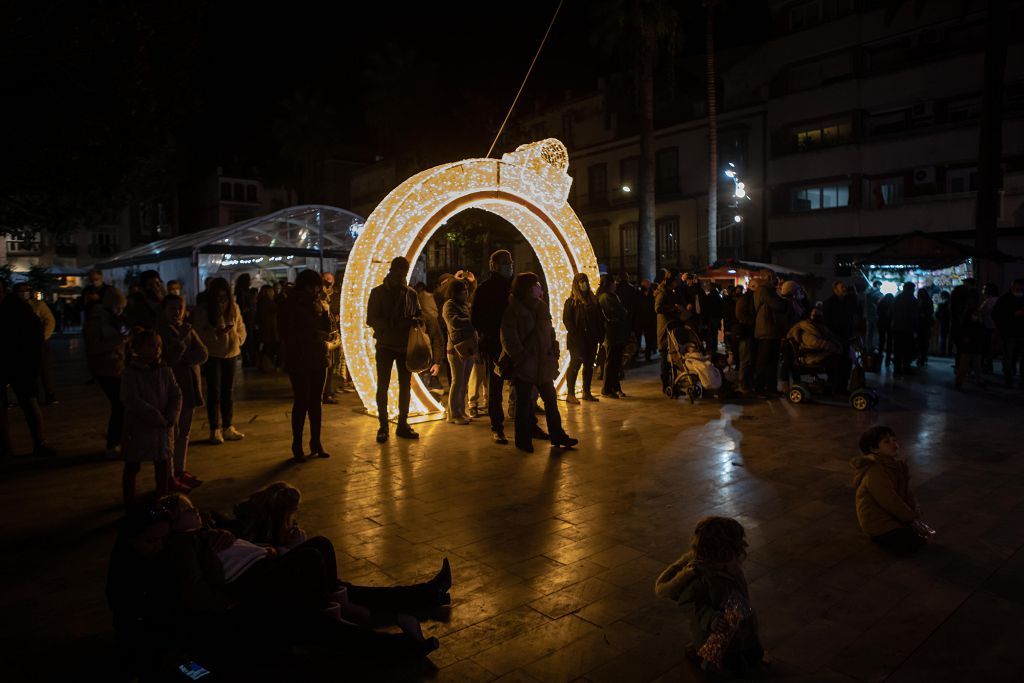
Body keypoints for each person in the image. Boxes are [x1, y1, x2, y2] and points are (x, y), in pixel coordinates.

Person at [161, 494, 443, 659]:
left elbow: (245, 546)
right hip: (254, 580)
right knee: (314, 561)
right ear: (173, 522)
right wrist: (228, 602)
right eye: (187, 510)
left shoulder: (207, 532)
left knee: (320, 546)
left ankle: (417, 595)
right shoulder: (183, 544)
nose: (195, 510)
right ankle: (338, 605)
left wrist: (268, 548)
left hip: (267, 564)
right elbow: (196, 588)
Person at [654, 517, 765, 677]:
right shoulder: (699, 575)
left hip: (741, 628)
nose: (737, 558)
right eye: (732, 554)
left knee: (755, 655)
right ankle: (700, 655)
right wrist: (711, 619)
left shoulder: (729, 564)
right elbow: (689, 604)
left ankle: (742, 648)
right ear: (716, 554)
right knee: (735, 670)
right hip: (716, 635)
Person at [500, 272, 578, 453]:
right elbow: (509, 338)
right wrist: (522, 358)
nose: (540, 288)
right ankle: (523, 440)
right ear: (527, 288)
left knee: (551, 402)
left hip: (544, 363)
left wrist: (555, 350)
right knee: (524, 405)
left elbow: (549, 332)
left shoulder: (542, 307)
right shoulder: (513, 310)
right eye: (536, 285)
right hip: (526, 366)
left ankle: (557, 435)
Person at [278, 269, 335, 460]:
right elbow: (286, 332)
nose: (315, 289)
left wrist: (326, 315)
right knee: (302, 401)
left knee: (316, 401)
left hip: (318, 355)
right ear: (303, 285)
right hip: (299, 357)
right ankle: (297, 444)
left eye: (317, 286)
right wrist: (312, 335)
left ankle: (316, 441)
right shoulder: (291, 304)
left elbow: (327, 328)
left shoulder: (318, 303)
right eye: (312, 286)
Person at [120, 330, 182, 506]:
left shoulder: (165, 369)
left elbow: (175, 393)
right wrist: (159, 418)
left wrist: (171, 415)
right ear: (138, 349)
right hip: (139, 428)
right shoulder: (131, 373)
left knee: (162, 464)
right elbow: (132, 400)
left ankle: (162, 500)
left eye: (159, 346)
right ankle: (130, 503)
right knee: (133, 465)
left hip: (162, 428)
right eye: (152, 345)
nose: (157, 349)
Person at [367, 257, 421, 443]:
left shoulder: (411, 293)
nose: (402, 274)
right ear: (392, 270)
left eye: (404, 271)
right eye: (400, 270)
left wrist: (415, 322)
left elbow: (418, 314)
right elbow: (371, 319)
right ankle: (383, 426)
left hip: (405, 346)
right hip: (385, 345)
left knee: (405, 386)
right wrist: (393, 323)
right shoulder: (378, 292)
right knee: (383, 386)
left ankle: (402, 424)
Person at [851, 426, 929, 555]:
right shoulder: (875, 471)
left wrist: (915, 515)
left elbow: (906, 493)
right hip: (878, 521)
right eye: (887, 442)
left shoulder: (896, 466)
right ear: (874, 449)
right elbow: (890, 501)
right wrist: (911, 519)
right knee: (912, 545)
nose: (894, 444)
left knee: (920, 538)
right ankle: (880, 537)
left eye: (894, 439)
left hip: (893, 516)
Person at [157, 295, 208, 490]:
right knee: (173, 432)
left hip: (190, 385)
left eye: (180, 308)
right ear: (164, 310)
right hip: (172, 388)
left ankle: (180, 469)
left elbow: (203, 352)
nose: (177, 312)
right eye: (172, 308)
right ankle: (170, 475)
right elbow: (168, 358)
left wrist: (185, 359)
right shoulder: (161, 330)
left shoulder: (187, 328)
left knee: (185, 431)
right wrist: (180, 342)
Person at [0, 278, 54, 458]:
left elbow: (36, 333)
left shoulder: (19, 308)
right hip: (10, 363)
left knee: (30, 404)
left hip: (20, 363)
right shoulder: (19, 307)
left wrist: (33, 363)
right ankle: (6, 447)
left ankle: (39, 442)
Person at [193, 277, 246, 444]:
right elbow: (198, 333)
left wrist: (237, 339)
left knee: (227, 391)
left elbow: (241, 327)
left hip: (231, 353)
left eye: (224, 296)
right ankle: (214, 428)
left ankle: (228, 426)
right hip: (213, 354)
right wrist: (216, 334)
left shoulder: (234, 307)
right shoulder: (203, 310)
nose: (221, 299)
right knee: (214, 392)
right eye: (218, 296)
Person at [471, 249, 515, 445]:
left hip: (515, 343)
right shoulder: (485, 289)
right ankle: (497, 427)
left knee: (521, 385)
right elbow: (476, 319)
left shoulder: (515, 287)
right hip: (494, 345)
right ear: (495, 266)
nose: (510, 266)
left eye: (510, 262)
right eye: (506, 263)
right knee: (495, 389)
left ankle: (525, 422)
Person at [85, 286, 130, 457]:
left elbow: (125, 336)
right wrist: (120, 339)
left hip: (119, 367)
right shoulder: (96, 322)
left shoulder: (117, 320)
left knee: (122, 405)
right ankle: (113, 443)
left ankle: (118, 440)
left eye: (122, 308)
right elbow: (94, 347)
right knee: (120, 405)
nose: (119, 311)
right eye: (117, 307)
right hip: (104, 369)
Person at [562, 272, 603, 404]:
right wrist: (576, 335)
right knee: (575, 365)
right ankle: (571, 393)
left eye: (585, 281)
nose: (583, 284)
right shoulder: (571, 302)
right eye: (580, 281)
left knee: (589, 366)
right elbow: (567, 321)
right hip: (577, 340)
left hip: (591, 339)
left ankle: (587, 392)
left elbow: (599, 319)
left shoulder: (593, 300)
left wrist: (600, 336)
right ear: (576, 284)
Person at [786, 307, 847, 395]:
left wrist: (839, 345)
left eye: (819, 313)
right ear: (808, 315)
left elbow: (831, 337)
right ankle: (837, 389)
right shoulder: (805, 328)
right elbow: (815, 343)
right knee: (837, 362)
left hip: (820, 354)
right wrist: (833, 347)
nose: (818, 315)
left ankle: (839, 387)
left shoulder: (820, 326)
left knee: (845, 360)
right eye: (815, 314)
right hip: (810, 356)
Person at [14, 283, 57, 404]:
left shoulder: (37, 303)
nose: (23, 293)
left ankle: (49, 394)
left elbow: (50, 320)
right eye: (20, 291)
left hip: (38, 342)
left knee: (44, 369)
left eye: (25, 291)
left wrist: (44, 337)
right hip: (22, 343)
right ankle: (33, 396)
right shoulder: (14, 306)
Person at [442, 278, 477, 424]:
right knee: (457, 381)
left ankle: (461, 411)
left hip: (468, 346)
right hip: (456, 347)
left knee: (463, 381)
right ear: (455, 292)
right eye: (463, 290)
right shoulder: (449, 305)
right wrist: (471, 320)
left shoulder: (464, 305)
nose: (466, 292)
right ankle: (453, 414)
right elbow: (453, 322)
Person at [655, 270, 693, 391]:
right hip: (666, 328)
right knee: (665, 357)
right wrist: (673, 309)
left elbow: (681, 302)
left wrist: (685, 306)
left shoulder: (674, 291)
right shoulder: (662, 293)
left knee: (675, 355)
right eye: (676, 280)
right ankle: (666, 384)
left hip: (675, 327)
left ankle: (675, 382)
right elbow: (658, 308)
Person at [752, 276, 787, 397]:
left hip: (772, 331)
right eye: (775, 278)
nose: (777, 281)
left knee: (773, 362)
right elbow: (778, 305)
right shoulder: (764, 290)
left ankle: (771, 388)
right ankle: (759, 389)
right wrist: (783, 298)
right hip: (766, 331)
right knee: (763, 361)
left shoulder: (769, 291)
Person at [597, 273, 630, 399]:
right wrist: (622, 313)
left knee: (615, 362)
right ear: (609, 284)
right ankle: (607, 389)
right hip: (612, 333)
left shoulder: (612, 296)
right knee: (611, 361)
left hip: (618, 332)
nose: (615, 284)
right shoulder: (605, 297)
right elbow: (613, 313)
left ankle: (615, 387)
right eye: (613, 282)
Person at [993, 278, 1024, 388]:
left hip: (1018, 332)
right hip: (1009, 332)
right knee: (1008, 357)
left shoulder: (1006, 298)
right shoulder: (1005, 299)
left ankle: (1016, 379)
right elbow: (996, 314)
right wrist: (1011, 316)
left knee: (1011, 356)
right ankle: (1009, 378)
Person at [321, 272, 342, 404]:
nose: (327, 283)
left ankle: (328, 390)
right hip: (323, 335)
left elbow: (337, 310)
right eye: (325, 280)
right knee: (325, 364)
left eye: (329, 280)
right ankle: (325, 392)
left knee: (331, 364)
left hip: (333, 334)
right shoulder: (320, 297)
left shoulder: (336, 296)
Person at [955, 306, 987, 390]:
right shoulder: (975, 324)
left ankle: (960, 381)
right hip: (972, 347)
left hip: (971, 347)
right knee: (969, 365)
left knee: (972, 365)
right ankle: (962, 381)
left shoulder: (969, 324)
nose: (976, 315)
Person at [734, 281, 758, 392]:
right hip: (746, 331)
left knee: (745, 358)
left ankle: (744, 381)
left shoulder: (746, 298)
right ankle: (743, 382)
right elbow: (740, 314)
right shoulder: (747, 299)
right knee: (745, 358)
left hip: (746, 331)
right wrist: (752, 321)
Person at [891, 282, 918, 375]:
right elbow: (914, 316)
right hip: (908, 329)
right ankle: (906, 367)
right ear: (911, 289)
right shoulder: (912, 300)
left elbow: (891, 312)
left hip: (897, 328)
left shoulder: (897, 298)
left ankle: (897, 368)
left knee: (897, 349)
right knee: (907, 348)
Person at [949, 277, 979, 361]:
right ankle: (963, 366)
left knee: (961, 347)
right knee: (965, 348)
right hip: (966, 327)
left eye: (965, 283)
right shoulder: (972, 296)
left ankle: (960, 366)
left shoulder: (965, 297)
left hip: (961, 326)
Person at [256, 284, 280, 371]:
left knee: (266, 347)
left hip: (266, 328)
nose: (274, 292)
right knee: (268, 348)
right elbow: (276, 309)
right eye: (272, 291)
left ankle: (265, 365)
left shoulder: (261, 301)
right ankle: (266, 365)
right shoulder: (267, 301)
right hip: (269, 329)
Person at [978, 283, 1000, 373]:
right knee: (989, 348)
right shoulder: (995, 300)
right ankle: (988, 366)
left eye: (984, 288)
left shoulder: (990, 300)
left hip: (989, 327)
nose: (983, 290)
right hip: (993, 326)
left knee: (987, 348)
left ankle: (988, 367)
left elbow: (983, 312)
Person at [636, 278, 658, 362]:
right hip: (641, 319)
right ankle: (637, 354)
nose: (648, 286)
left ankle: (647, 355)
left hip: (649, 320)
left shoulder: (651, 294)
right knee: (639, 338)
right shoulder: (638, 294)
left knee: (649, 338)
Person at [701, 282, 724, 354]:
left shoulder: (709, 296)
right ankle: (714, 348)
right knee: (714, 333)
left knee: (709, 334)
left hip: (710, 318)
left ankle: (710, 348)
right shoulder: (718, 297)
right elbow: (721, 308)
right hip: (716, 318)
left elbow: (705, 309)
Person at [916, 288, 934, 366]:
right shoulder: (928, 301)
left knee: (921, 341)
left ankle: (921, 357)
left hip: (922, 324)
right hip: (925, 325)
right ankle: (923, 357)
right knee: (924, 341)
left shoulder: (919, 301)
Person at [877, 292, 895, 366]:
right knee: (889, 341)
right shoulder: (892, 304)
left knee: (881, 340)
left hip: (881, 323)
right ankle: (888, 358)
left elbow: (877, 312)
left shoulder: (881, 303)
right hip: (889, 324)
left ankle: (880, 356)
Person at [864, 280, 883, 352]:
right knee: (875, 332)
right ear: (877, 285)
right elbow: (879, 302)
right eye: (879, 285)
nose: (880, 287)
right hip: (874, 315)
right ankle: (874, 347)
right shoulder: (878, 293)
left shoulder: (868, 292)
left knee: (869, 332)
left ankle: (869, 347)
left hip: (869, 315)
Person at [935, 290, 951, 356]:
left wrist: (940, 318)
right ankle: (949, 352)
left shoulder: (941, 304)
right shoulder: (951, 303)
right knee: (950, 338)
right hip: (950, 321)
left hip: (943, 322)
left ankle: (942, 352)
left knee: (943, 337)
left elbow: (937, 314)